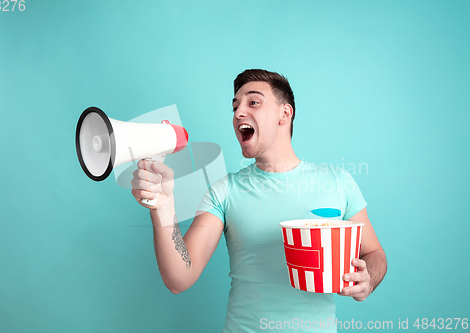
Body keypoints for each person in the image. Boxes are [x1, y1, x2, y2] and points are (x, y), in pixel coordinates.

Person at [131, 69, 387, 332]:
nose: (239, 112)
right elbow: (179, 279)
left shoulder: (337, 181)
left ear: (284, 113)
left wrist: (368, 277)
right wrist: (162, 207)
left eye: (253, 102)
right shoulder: (224, 191)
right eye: (235, 106)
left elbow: (374, 253)